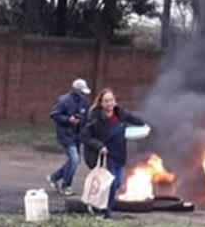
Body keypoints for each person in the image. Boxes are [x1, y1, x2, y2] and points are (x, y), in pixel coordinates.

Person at [82, 88, 147, 218]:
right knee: (109, 184)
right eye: (106, 101)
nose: (110, 103)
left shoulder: (120, 113)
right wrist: (99, 146)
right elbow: (85, 136)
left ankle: (102, 207)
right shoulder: (95, 118)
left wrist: (144, 124)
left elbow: (134, 119)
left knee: (117, 183)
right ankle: (105, 211)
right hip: (106, 156)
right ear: (101, 103)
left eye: (111, 100)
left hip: (120, 155)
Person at [47, 79, 91, 196]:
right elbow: (54, 114)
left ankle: (54, 177)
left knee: (74, 161)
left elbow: (86, 118)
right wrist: (68, 120)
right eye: (81, 91)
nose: (83, 93)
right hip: (66, 135)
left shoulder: (84, 102)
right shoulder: (64, 100)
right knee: (74, 159)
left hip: (77, 135)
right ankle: (66, 185)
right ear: (76, 90)